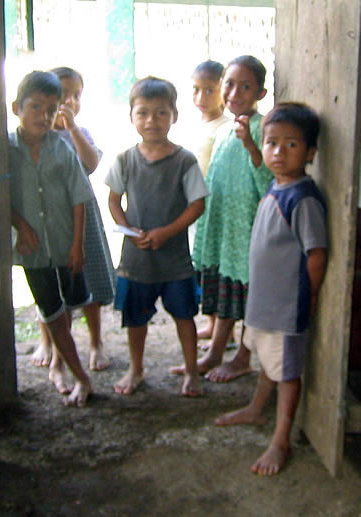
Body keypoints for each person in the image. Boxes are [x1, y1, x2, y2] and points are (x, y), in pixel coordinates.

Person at [215, 102, 328, 475]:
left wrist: (309, 296)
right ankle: (256, 408)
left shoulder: (304, 198)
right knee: (267, 359)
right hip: (262, 304)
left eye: (291, 145)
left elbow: (315, 254)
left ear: (310, 153)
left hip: (284, 307)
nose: (278, 152)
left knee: (287, 373)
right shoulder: (275, 185)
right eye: (272, 143)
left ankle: (281, 439)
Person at [170, 55, 273, 382]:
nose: (235, 92)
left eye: (246, 86)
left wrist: (252, 146)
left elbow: (269, 181)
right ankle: (216, 352)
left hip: (246, 231)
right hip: (224, 227)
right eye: (229, 84)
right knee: (227, 296)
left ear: (261, 93)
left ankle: (243, 356)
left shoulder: (261, 128)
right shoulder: (227, 129)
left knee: (248, 297)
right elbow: (216, 177)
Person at [105, 76, 208, 396]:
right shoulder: (125, 159)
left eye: (161, 112)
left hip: (174, 259)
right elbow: (113, 200)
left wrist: (166, 232)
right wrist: (129, 229)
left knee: (184, 315)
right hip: (136, 259)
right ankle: (136, 370)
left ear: (174, 115)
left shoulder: (184, 160)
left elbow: (197, 205)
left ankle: (191, 372)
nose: (152, 120)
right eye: (143, 112)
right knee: (135, 319)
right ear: (132, 117)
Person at [9, 70, 93, 407]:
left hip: (64, 246)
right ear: (17, 107)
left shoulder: (62, 148)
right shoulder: (4, 149)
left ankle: (64, 366)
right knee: (51, 313)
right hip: (31, 251)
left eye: (50, 109)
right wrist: (19, 223)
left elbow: (79, 197)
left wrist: (77, 244)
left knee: (71, 305)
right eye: (35, 107)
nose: (42, 116)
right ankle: (82, 378)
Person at [31, 66, 115, 384]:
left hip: (84, 219)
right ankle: (50, 345)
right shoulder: (35, 134)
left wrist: (73, 128)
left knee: (87, 282)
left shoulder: (78, 133)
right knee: (50, 288)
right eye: (61, 95)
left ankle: (95, 342)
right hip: (49, 223)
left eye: (75, 95)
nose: (69, 101)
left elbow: (91, 164)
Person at [191, 60, 230, 340]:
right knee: (203, 263)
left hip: (216, 207)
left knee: (215, 265)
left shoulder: (226, 127)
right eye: (196, 90)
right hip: (195, 206)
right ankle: (212, 321)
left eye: (209, 90)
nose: (201, 98)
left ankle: (222, 330)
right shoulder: (197, 125)